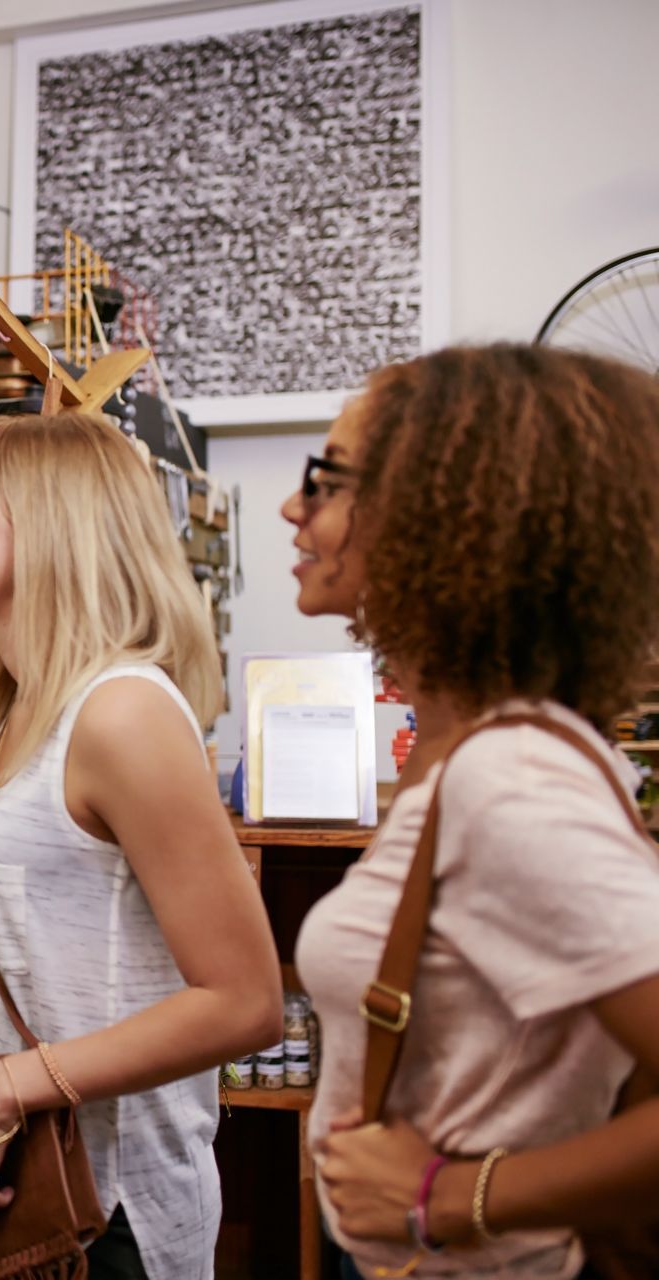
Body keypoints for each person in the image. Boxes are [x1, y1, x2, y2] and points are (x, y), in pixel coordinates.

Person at [0, 413, 282, 1280]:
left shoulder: (122, 711)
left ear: (49, 520)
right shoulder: (22, 705)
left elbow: (244, 1002)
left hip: (113, 1208)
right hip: (36, 1177)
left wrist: (12, 1084)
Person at [288, 344, 659, 1278]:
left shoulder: (511, 779)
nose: (296, 509)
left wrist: (453, 1197)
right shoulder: (472, 754)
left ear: (441, 518)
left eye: (326, 481)